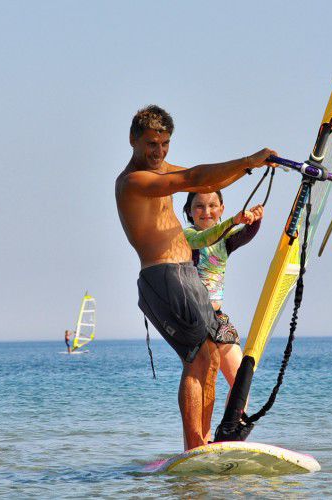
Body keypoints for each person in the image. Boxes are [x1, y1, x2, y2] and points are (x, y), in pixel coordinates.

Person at [115, 104, 276, 450]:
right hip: (164, 276)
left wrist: (252, 167)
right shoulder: (134, 181)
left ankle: (204, 442)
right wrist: (249, 160)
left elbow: (209, 181)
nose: (159, 152)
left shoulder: (159, 171)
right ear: (133, 140)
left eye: (165, 144)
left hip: (185, 276)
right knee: (198, 358)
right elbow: (192, 180)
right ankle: (194, 446)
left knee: (212, 357)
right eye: (151, 144)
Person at [182, 192, 263, 395]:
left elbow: (245, 234)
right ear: (189, 211)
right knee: (205, 382)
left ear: (221, 209)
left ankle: (232, 418)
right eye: (199, 206)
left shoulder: (225, 239)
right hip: (195, 318)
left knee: (242, 382)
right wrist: (234, 220)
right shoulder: (187, 236)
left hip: (217, 317)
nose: (206, 211)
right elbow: (205, 238)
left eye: (212, 205)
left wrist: (254, 219)